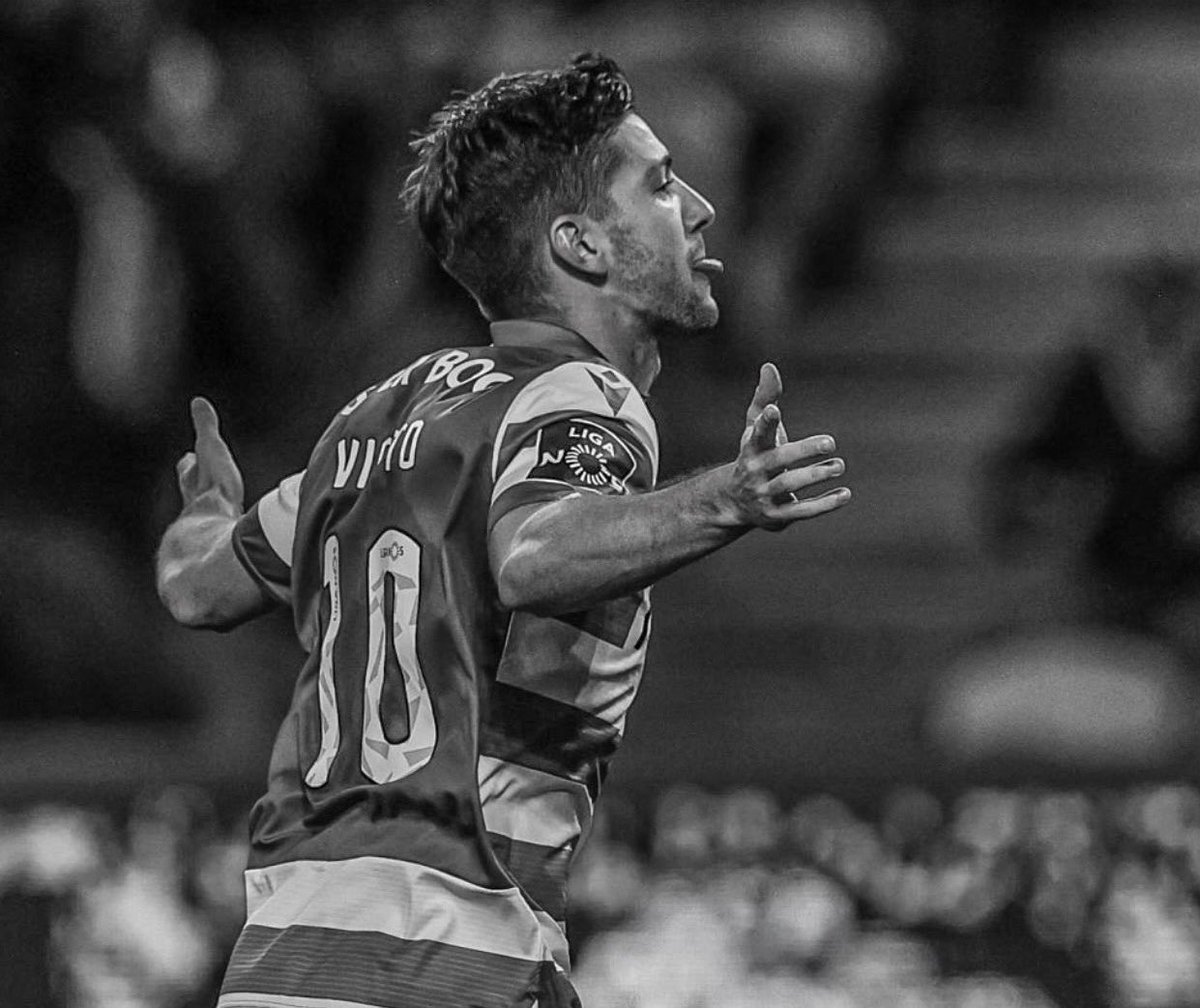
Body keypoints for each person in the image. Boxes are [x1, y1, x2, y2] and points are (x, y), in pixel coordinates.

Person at [156, 53, 851, 1008]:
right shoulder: (581, 394)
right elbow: (532, 554)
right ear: (581, 245)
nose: (700, 208)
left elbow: (197, 586)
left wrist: (205, 509)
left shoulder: (371, 423)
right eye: (659, 185)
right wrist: (726, 498)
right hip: (443, 957)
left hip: (284, 965)